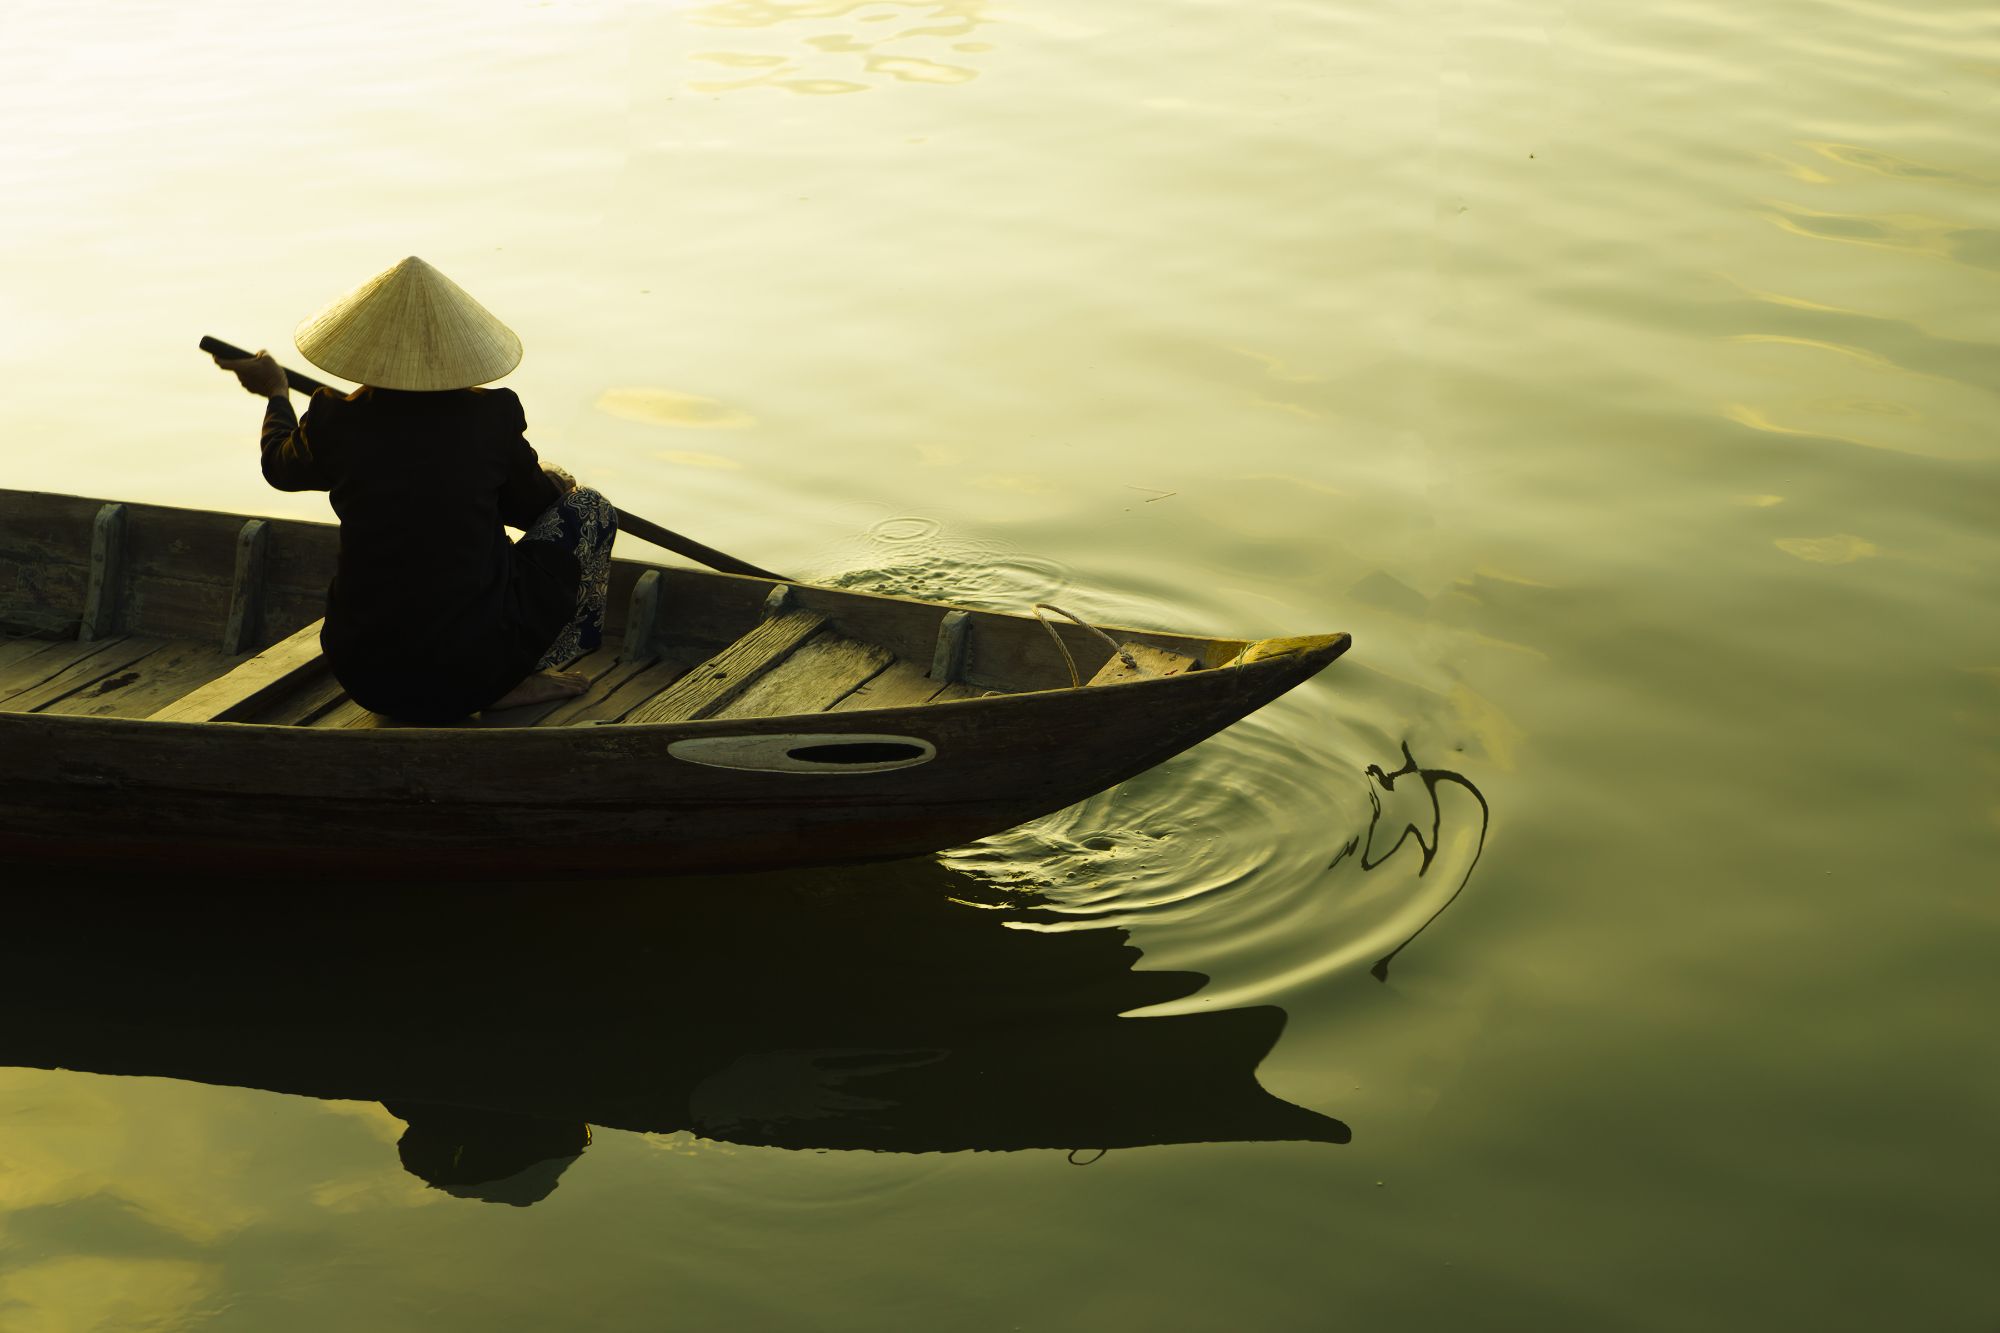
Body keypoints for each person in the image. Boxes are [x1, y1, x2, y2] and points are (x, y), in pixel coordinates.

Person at [214, 256, 617, 723]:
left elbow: (278, 468)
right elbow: (537, 511)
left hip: (365, 673)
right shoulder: (492, 417)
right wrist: (552, 482)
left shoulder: (335, 418)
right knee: (589, 508)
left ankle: (503, 672)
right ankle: (517, 674)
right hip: (474, 672)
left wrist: (276, 395)